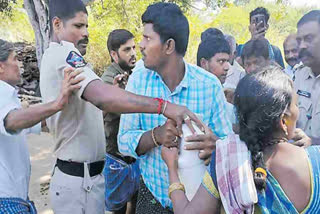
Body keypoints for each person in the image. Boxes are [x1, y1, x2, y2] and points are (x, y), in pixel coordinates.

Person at [40, 0, 203, 213]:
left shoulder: (65, 58)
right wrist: (163, 106)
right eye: (78, 26)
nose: (85, 33)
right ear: (57, 24)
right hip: (79, 181)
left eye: (87, 26)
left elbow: (93, 109)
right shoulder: (64, 55)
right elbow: (101, 96)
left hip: (87, 178)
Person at [118, 3, 232, 213]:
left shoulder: (208, 85)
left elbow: (227, 144)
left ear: (169, 46)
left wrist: (215, 146)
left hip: (200, 204)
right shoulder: (138, 81)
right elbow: (123, 142)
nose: (141, 45)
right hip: (153, 198)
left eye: (147, 38)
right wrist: (156, 135)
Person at [162, 65, 320, 214]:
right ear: (283, 121)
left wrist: (172, 168)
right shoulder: (316, 159)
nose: (298, 111)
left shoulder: (227, 161)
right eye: (296, 105)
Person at [0, 39, 83, 213]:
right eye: (15, 59)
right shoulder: (1, 91)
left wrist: (64, 103)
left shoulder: (8, 98)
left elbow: (31, 122)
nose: (20, 64)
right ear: (1, 67)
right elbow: (11, 121)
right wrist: (58, 103)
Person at [101, 29, 139, 214]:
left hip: (133, 157)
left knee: (134, 204)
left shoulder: (135, 73)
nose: (133, 53)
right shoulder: (109, 79)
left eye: (133, 47)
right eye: (127, 49)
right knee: (116, 209)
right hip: (117, 158)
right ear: (114, 54)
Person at [196, 36, 236, 124]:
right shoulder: (192, 97)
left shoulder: (230, 98)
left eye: (227, 61)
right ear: (204, 63)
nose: (227, 67)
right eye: (221, 61)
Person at [294, 10, 320, 145]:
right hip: (299, 161)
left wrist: (313, 142)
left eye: (309, 39)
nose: (302, 46)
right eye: (299, 40)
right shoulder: (299, 75)